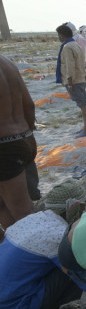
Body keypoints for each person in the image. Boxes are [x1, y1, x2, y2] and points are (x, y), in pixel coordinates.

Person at [0, 182, 86, 309]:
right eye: (83, 208)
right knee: (74, 263)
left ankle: (44, 305)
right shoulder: (58, 234)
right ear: (74, 207)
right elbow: (82, 274)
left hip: (5, 306)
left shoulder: (33, 219)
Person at [0, 54, 39, 236]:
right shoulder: (7, 62)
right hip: (24, 137)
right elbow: (29, 105)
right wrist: (27, 133)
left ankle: (38, 260)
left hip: (4, 147)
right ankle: (16, 251)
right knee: (5, 207)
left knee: (23, 212)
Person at [55, 24, 86, 137]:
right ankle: (85, 127)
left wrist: (70, 83)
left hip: (74, 80)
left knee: (83, 104)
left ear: (62, 35)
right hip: (79, 78)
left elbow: (70, 66)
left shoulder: (67, 47)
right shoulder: (75, 44)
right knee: (83, 103)